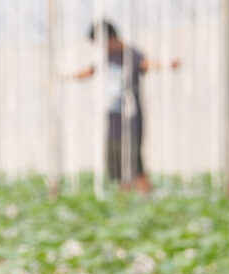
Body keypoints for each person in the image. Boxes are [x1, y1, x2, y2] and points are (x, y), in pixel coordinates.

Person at [72, 19, 176, 193]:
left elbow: (146, 64)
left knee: (135, 165)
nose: (101, 47)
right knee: (117, 168)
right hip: (113, 121)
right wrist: (68, 76)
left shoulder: (130, 54)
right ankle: (125, 200)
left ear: (111, 38)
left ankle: (147, 197)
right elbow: (91, 70)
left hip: (130, 121)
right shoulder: (105, 57)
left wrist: (166, 65)